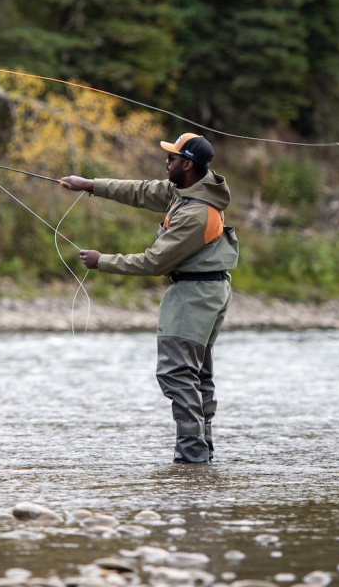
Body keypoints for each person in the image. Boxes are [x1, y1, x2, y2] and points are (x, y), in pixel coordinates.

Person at [60, 133, 239, 463]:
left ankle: (191, 456)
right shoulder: (188, 189)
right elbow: (140, 191)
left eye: (171, 158)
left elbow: (155, 261)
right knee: (197, 374)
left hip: (194, 296)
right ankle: (202, 454)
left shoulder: (195, 213)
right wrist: (89, 185)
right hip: (206, 291)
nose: (166, 162)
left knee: (176, 373)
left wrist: (103, 261)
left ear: (187, 164)